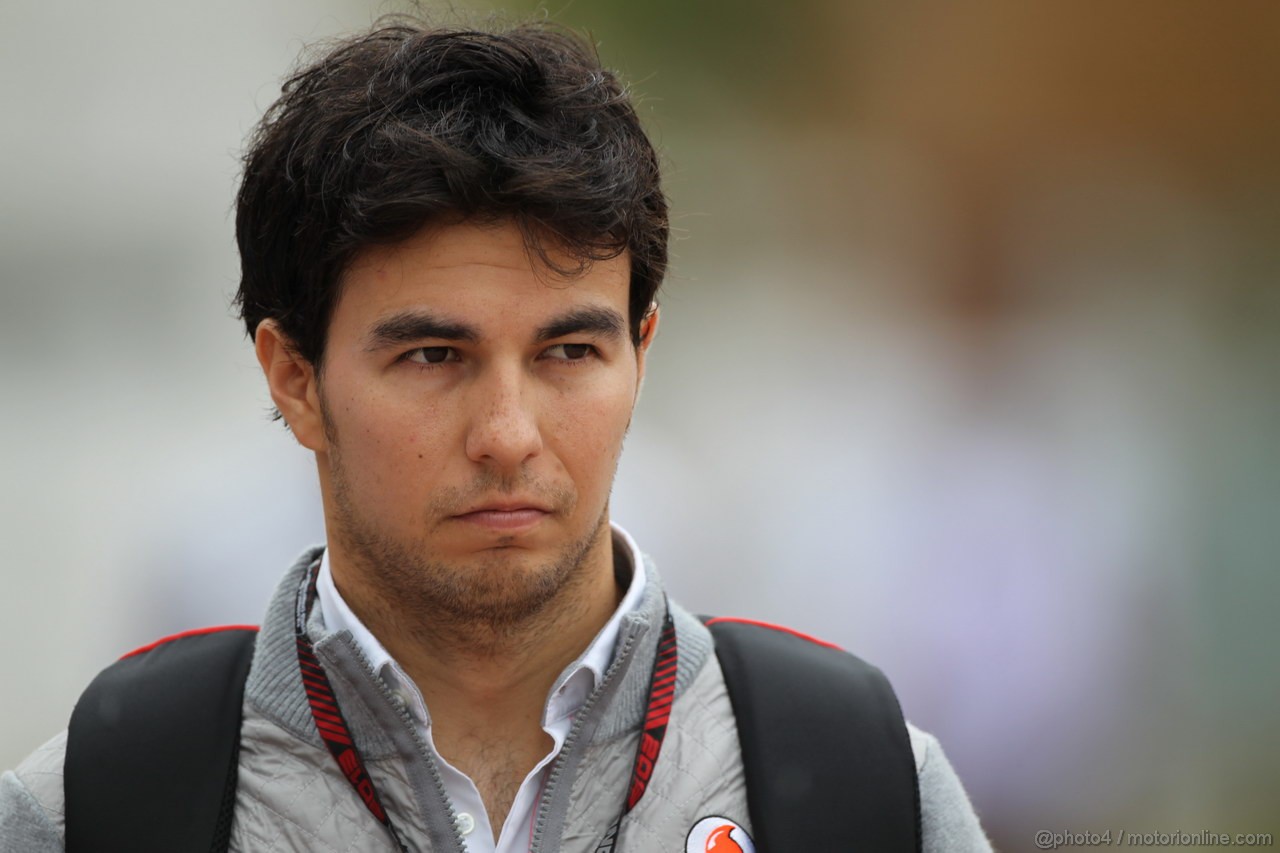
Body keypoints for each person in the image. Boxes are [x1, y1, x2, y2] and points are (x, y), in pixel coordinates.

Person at [0, 18, 991, 852]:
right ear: (293, 378)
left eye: (568, 352)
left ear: (639, 354)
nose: (508, 434)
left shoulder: (860, 788)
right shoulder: (102, 808)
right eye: (433, 356)